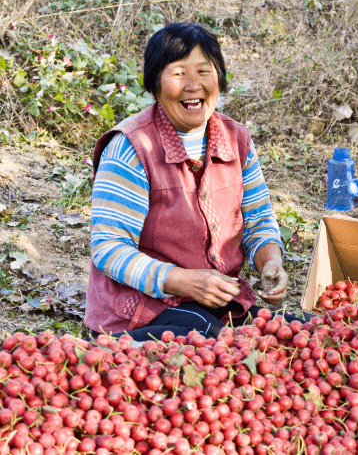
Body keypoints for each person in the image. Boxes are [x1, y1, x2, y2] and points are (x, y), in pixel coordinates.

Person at [86, 22, 292, 341]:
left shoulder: (236, 140)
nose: (193, 85)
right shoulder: (131, 148)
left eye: (204, 71)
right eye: (179, 73)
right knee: (223, 348)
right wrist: (182, 280)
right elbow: (109, 248)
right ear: (155, 85)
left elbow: (258, 220)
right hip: (139, 312)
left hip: (214, 304)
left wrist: (270, 261)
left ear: (219, 80)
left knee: (294, 332)